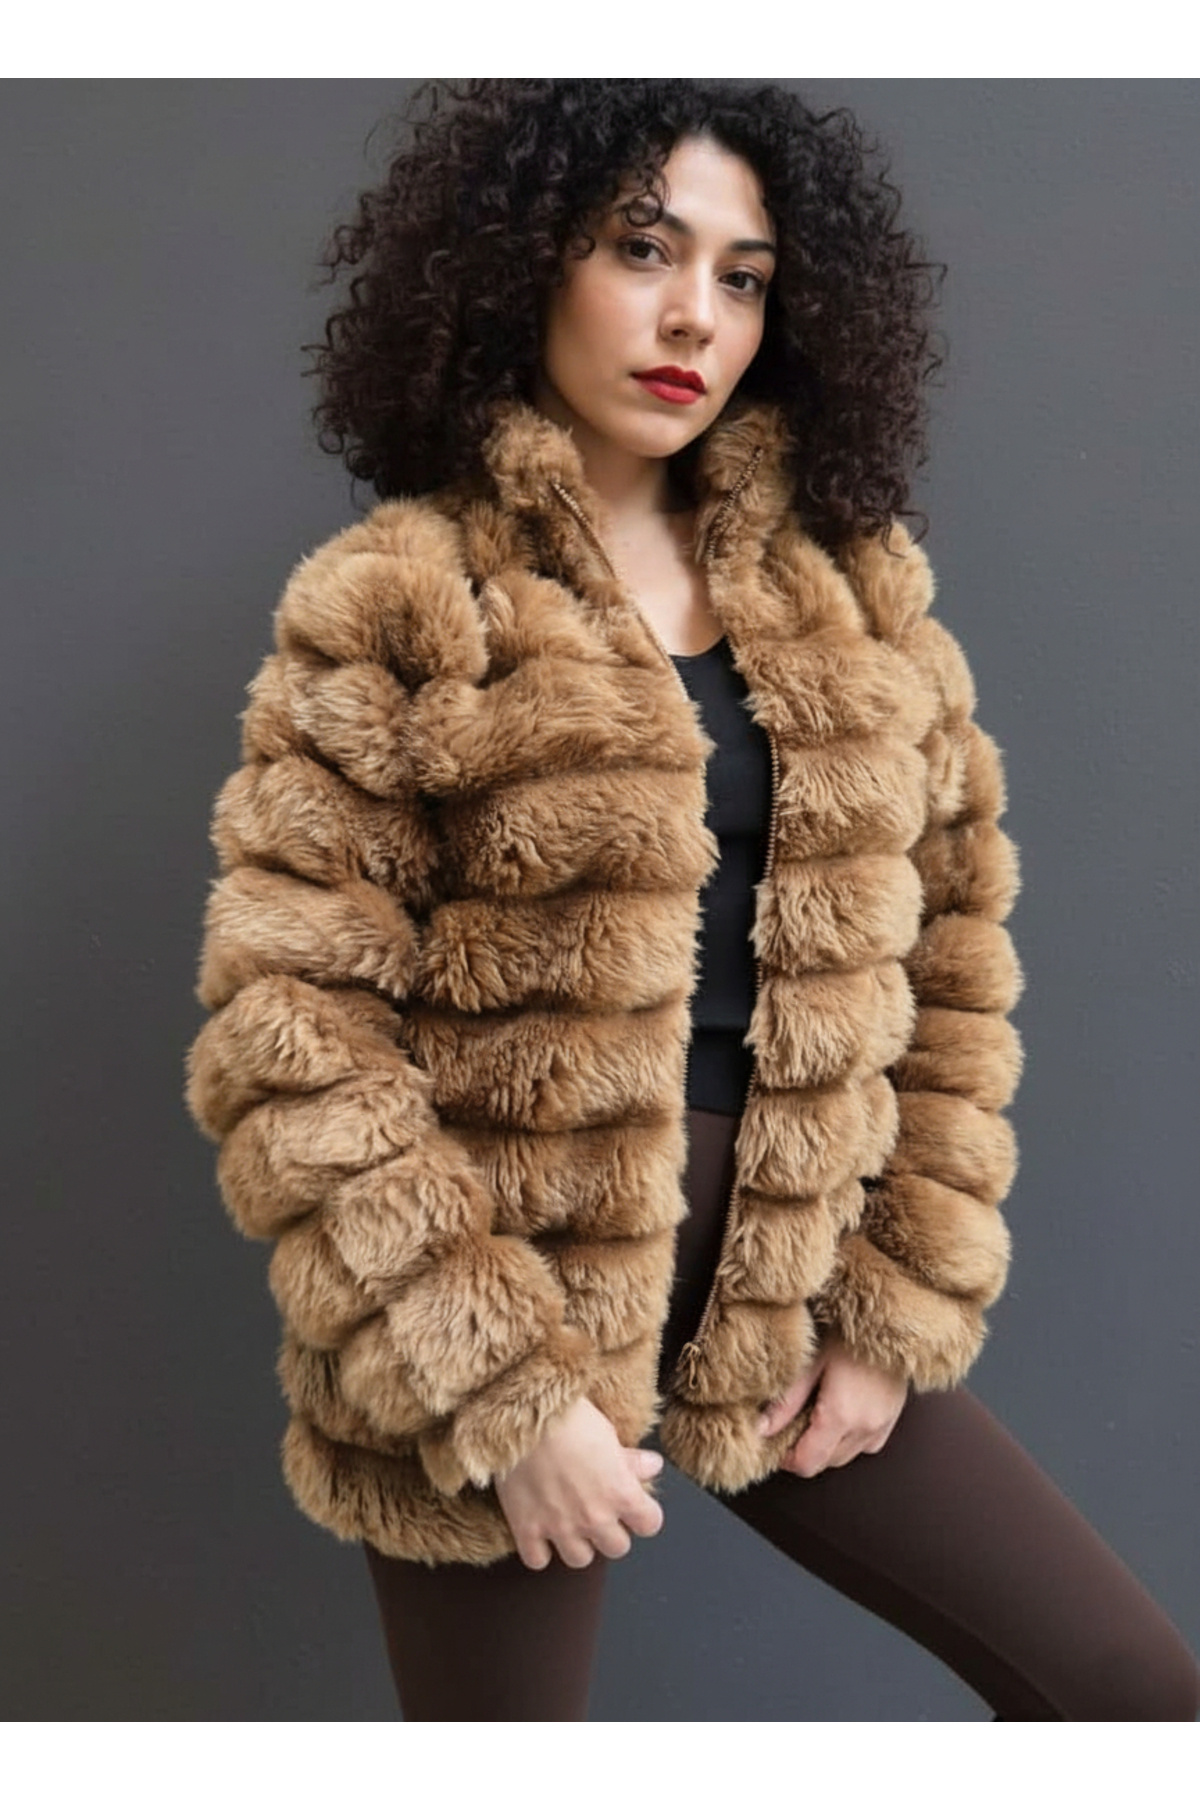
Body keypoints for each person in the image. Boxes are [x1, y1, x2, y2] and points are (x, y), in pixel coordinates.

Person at [185, 79, 1199, 1722]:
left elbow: (956, 970)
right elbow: (291, 1034)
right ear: (525, 262)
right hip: (493, 1301)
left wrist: (894, 1306)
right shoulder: (401, 602)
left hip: (788, 1282)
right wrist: (501, 1390)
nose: (693, 318)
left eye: (743, 276)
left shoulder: (858, 598)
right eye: (642, 250)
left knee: (1130, 1696)